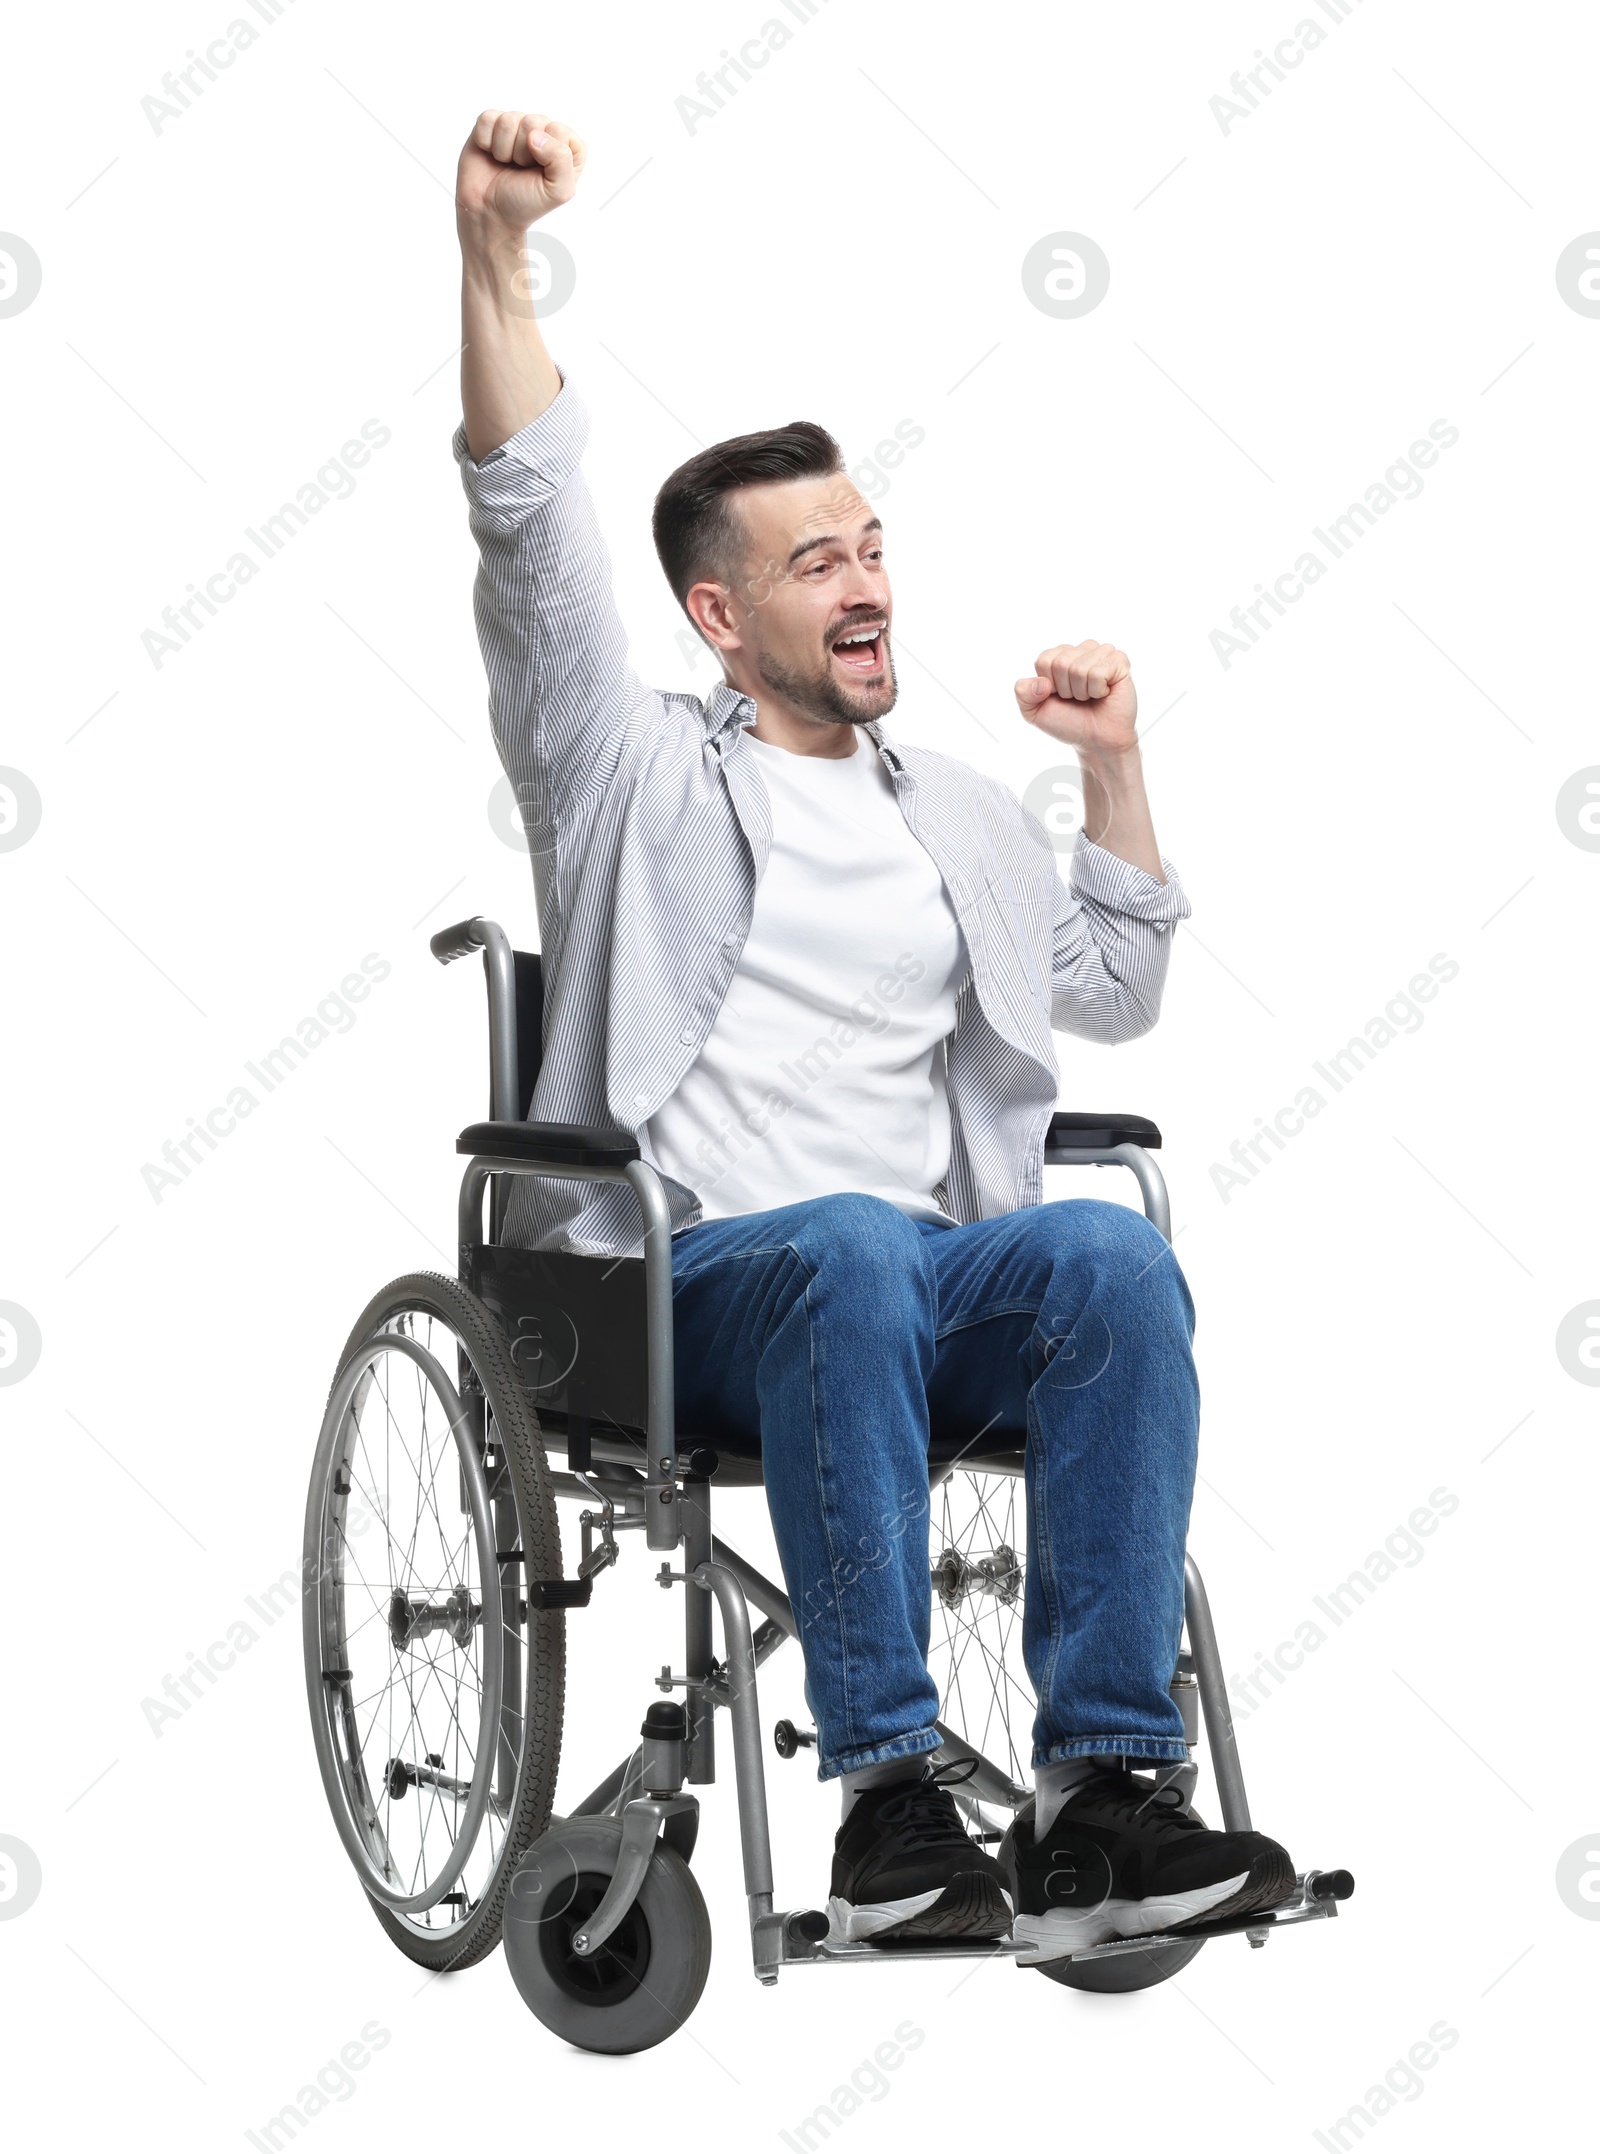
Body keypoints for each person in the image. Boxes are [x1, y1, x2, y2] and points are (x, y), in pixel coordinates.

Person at [452, 107, 1293, 1958]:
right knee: (846, 1244)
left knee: (1109, 1259)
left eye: (872, 545)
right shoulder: (626, 771)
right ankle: (894, 1797)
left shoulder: (958, 809)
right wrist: (495, 260)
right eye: (816, 560)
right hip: (691, 1295)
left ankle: (1101, 1799)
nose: (867, 583)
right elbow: (524, 531)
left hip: (909, 1284)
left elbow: (1117, 989)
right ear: (717, 611)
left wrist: (1114, 768)